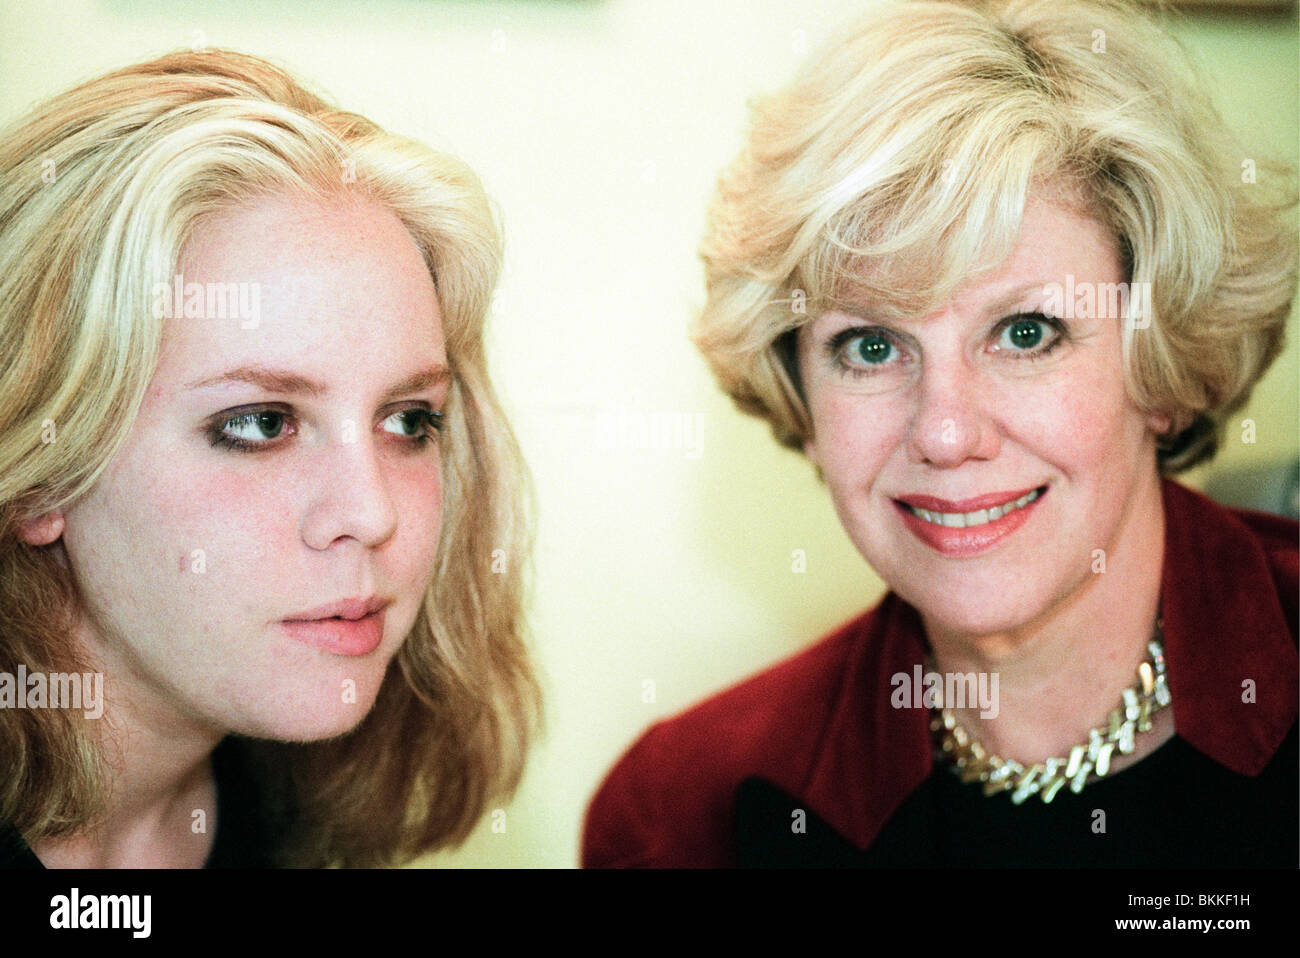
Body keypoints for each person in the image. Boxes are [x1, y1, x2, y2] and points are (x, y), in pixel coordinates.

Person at [583, 0, 1297, 867]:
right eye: (872, 346)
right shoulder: (683, 817)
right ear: (801, 399)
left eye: (1026, 332)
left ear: (1161, 367)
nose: (948, 432)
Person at [0, 49, 538, 868]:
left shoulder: (285, 815)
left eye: (409, 422)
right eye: (259, 424)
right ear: (41, 472)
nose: (370, 512)